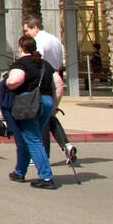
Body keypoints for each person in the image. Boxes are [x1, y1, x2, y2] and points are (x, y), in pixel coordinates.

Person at [5, 34, 64, 189]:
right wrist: (54, 105)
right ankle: (19, 171)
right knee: (29, 137)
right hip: (46, 102)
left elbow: (14, 81)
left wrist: (7, 83)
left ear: (20, 47)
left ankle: (46, 177)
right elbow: (59, 85)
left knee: (33, 139)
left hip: (28, 104)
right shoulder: (45, 64)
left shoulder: (21, 63)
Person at [23, 17, 77, 164]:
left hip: (42, 80)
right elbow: (60, 62)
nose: (26, 34)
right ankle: (66, 145)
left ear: (35, 28)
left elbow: (36, 59)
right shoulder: (55, 40)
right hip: (54, 75)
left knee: (42, 119)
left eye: (27, 30)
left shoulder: (39, 41)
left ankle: (42, 156)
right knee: (50, 115)